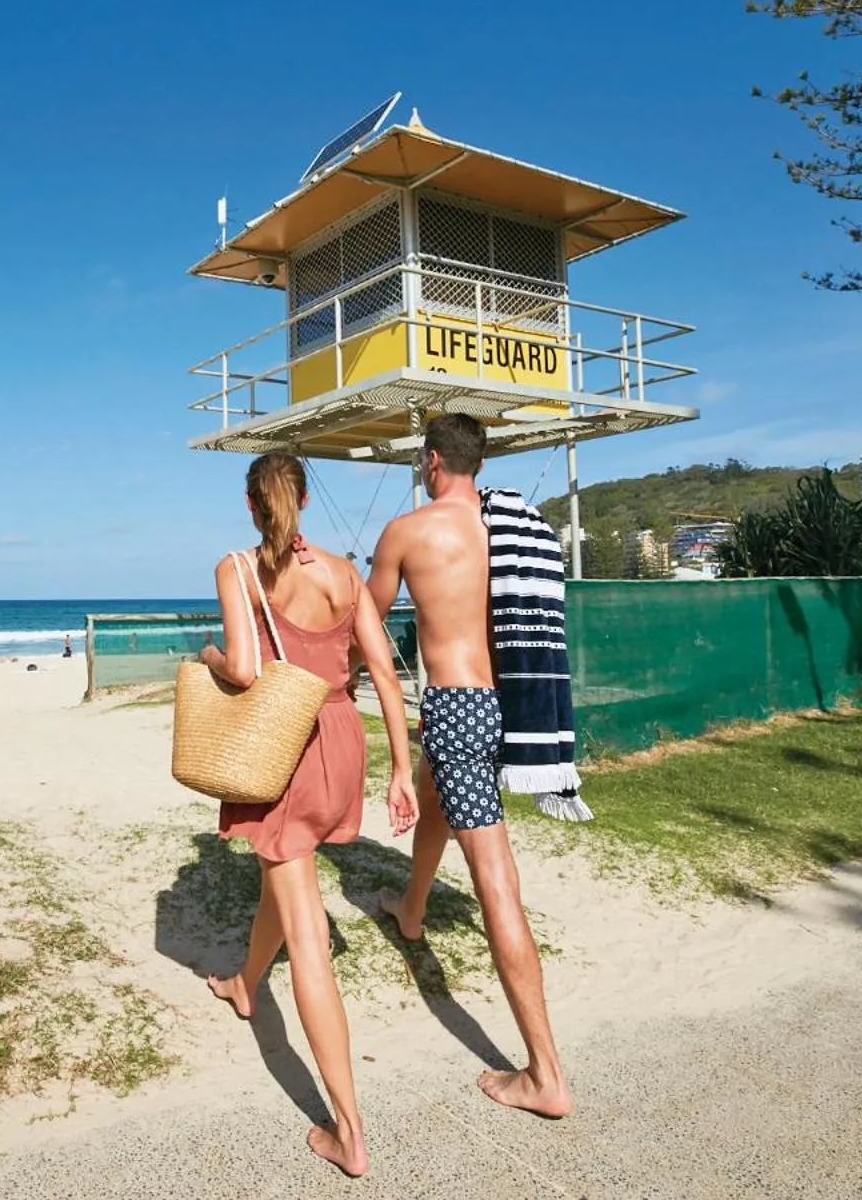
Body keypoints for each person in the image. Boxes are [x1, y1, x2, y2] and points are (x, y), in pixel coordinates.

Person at [201, 451, 417, 1178]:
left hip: (285, 747)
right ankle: (242, 982)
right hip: (343, 741)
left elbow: (243, 668)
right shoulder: (343, 573)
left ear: (250, 501)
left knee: (310, 934)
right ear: (301, 500)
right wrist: (399, 773)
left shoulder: (237, 567)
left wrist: (206, 654)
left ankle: (348, 1130)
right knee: (282, 870)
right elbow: (384, 671)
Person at [365, 412, 574, 1121]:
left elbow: (366, 622)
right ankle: (412, 910)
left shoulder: (408, 531)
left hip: (452, 707)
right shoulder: (506, 529)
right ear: (476, 463)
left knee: (496, 884)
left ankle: (545, 1074)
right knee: (435, 793)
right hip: (501, 704)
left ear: (431, 461)